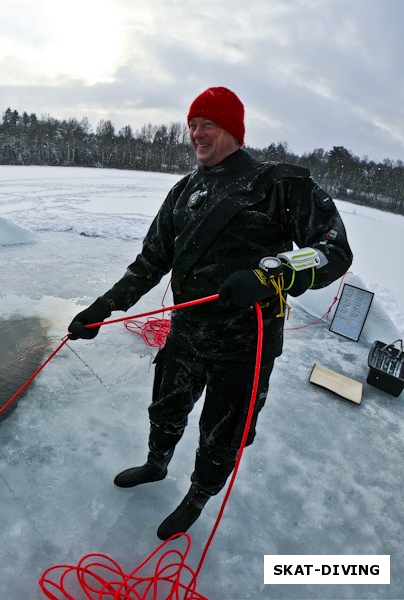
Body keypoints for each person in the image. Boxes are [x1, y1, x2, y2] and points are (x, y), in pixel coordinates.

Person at [67, 87, 352, 540]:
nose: (197, 134)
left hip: (246, 343)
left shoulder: (280, 183)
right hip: (187, 333)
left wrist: (272, 273)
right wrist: (101, 309)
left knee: (224, 432)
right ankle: (156, 464)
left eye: (209, 124)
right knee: (165, 407)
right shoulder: (184, 191)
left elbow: (333, 250)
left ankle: (199, 495)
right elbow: (149, 262)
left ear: (234, 130)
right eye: (192, 124)